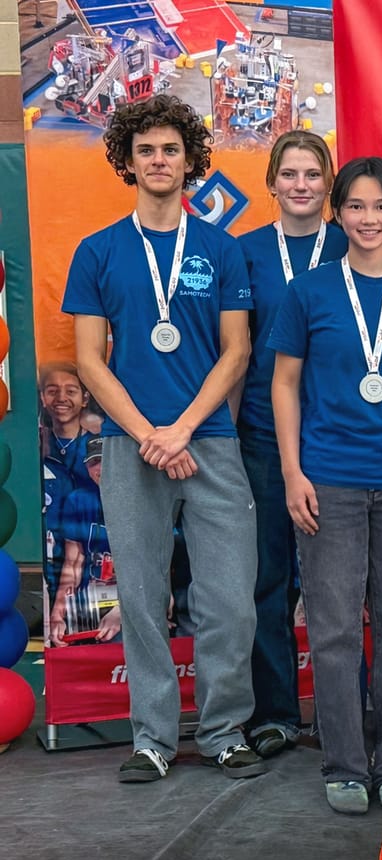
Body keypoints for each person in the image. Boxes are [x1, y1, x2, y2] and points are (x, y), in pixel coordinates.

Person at [62, 94, 263, 782]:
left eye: (170, 150)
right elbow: (89, 361)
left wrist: (180, 430)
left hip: (208, 441)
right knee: (143, 599)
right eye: (145, 150)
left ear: (189, 161)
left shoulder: (221, 249)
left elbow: (236, 352)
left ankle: (224, 731)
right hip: (131, 446)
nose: (158, 160)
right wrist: (151, 433)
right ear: (128, 160)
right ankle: (152, 737)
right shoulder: (98, 251)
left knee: (228, 599)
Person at [271, 155, 382, 814]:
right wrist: (293, 472)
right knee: (335, 631)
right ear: (338, 213)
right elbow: (284, 384)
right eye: (355, 206)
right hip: (332, 482)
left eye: (381, 206)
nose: (368, 218)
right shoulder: (309, 292)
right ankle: (346, 763)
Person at [235, 131, 349, 759]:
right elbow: (236, 350)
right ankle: (275, 713)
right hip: (261, 434)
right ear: (271, 183)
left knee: (341, 586)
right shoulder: (245, 253)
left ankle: (342, 715)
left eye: (313, 174)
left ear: (329, 182)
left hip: (337, 434)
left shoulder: (353, 242)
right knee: (268, 577)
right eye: (290, 174)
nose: (301, 185)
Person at [47, 437, 122, 647]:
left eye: (106, 460)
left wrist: (124, 611)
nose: (100, 468)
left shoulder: (140, 500)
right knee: (65, 645)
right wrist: (58, 613)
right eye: (94, 462)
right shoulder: (79, 500)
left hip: (131, 602)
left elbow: (155, 569)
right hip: (90, 602)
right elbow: (73, 563)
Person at [39, 363, 93, 604]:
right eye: (52, 391)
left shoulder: (98, 448)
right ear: (42, 398)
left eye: (71, 391)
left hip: (88, 561)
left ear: (85, 399)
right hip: (48, 558)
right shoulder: (36, 446)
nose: (61, 398)